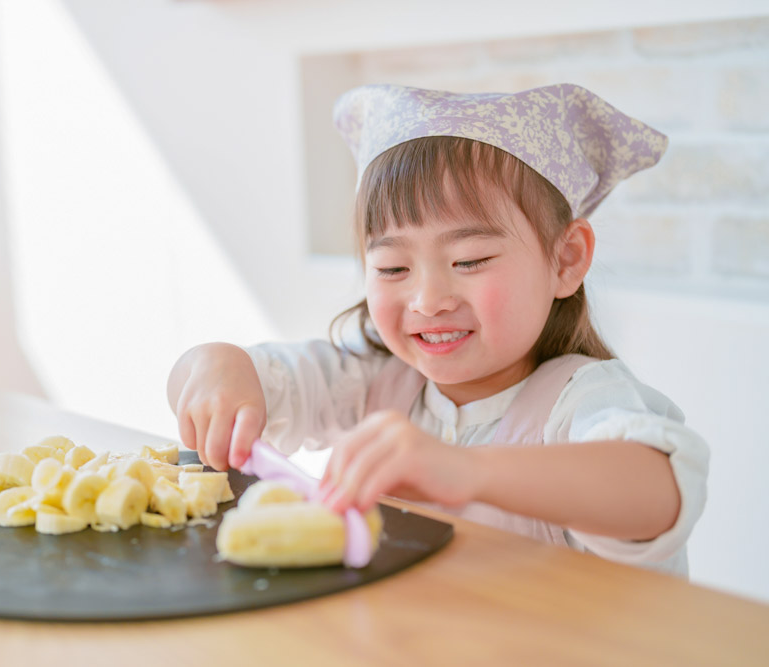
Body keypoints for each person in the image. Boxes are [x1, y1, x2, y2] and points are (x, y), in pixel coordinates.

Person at [167, 83, 709, 576]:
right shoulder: (373, 377)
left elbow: (659, 491)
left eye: (470, 260)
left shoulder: (582, 400)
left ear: (566, 259)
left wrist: (466, 469)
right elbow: (252, 381)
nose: (428, 300)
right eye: (393, 268)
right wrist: (215, 364)